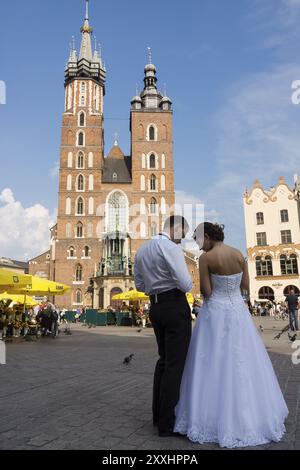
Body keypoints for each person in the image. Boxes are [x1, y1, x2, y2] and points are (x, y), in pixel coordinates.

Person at [174, 222, 288, 448]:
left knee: (212, 362)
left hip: (215, 313)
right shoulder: (238, 254)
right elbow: (245, 285)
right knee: (243, 360)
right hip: (238, 311)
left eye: (199, 241)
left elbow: (206, 292)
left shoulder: (206, 258)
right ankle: (251, 415)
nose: (199, 247)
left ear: (207, 236)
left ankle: (210, 415)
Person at [134, 215, 192, 437]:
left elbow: (139, 284)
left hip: (155, 308)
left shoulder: (142, 250)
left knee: (163, 361)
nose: (182, 240)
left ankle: (158, 416)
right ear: (175, 228)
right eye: (183, 234)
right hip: (174, 305)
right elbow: (186, 284)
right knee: (175, 365)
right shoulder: (170, 246)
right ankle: (168, 423)